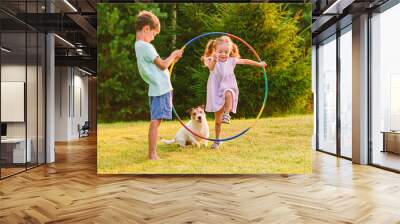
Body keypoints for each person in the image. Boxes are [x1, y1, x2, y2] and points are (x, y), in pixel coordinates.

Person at [202, 36, 267, 149]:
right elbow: (211, 68)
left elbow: (245, 61)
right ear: (215, 50)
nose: (223, 54)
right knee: (217, 122)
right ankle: (217, 140)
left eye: (226, 52)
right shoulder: (209, 59)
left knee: (228, 93)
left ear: (230, 51)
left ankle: (227, 114)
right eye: (220, 51)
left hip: (228, 86)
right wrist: (214, 59)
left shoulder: (232, 60)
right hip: (215, 91)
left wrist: (259, 64)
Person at [134, 10, 183, 160]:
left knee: (156, 120)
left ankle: (152, 153)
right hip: (161, 88)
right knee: (156, 121)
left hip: (156, 88)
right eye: (154, 34)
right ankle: (152, 154)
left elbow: (159, 66)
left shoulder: (138, 45)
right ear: (146, 29)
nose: (153, 38)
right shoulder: (146, 47)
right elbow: (162, 65)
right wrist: (173, 55)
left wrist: (172, 60)